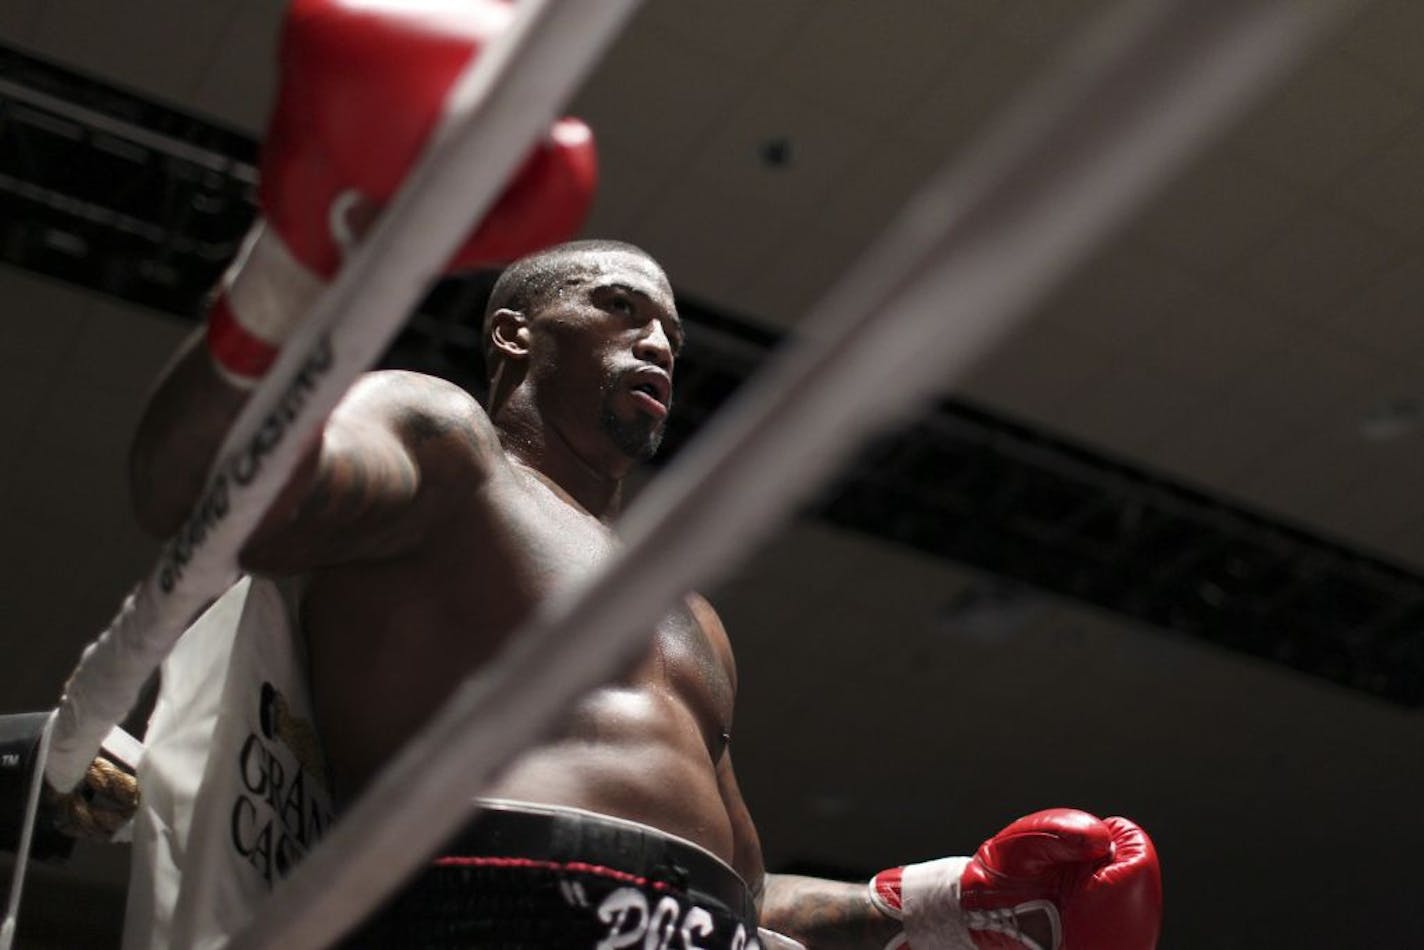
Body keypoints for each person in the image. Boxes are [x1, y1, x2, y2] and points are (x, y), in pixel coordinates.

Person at [127, 1, 1163, 947]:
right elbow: (202, 495)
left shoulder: (687, 613)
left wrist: (946, 890)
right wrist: (291, 265)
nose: (658, 339)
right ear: (513, 332)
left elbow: (737, 888)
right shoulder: (447, 452)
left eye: (670, 326)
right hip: (484, 905)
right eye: (619, 306)